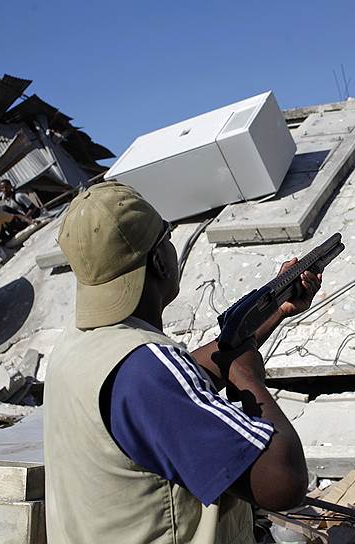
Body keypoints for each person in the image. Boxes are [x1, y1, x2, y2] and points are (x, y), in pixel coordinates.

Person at [44, 182, 318, 544]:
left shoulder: (78, 345)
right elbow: (284, 484)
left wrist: (265, 315)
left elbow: (171, 392)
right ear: (159, 260)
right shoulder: (147, 367)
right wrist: (248, 378)